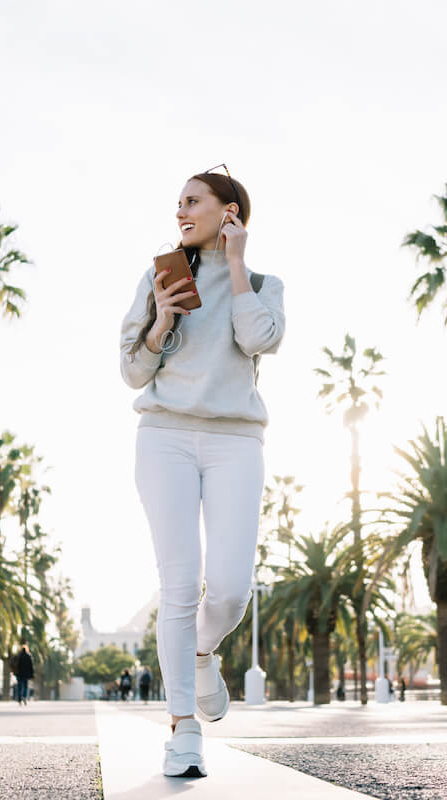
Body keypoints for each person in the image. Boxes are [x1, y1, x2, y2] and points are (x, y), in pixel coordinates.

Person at [120, 166, 284, 778]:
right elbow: (133, 373)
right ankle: (183, 727)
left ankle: (202, 651)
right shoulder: (158, 275)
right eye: (178, 204)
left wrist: (235, 263)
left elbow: (258, 338)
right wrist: (161, 319)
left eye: (193, 201)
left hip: (236, 440)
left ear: (229, 212)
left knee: (233, 586)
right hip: (163, 435)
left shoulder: (265, 283)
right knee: (180, 583)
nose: (181, 211)